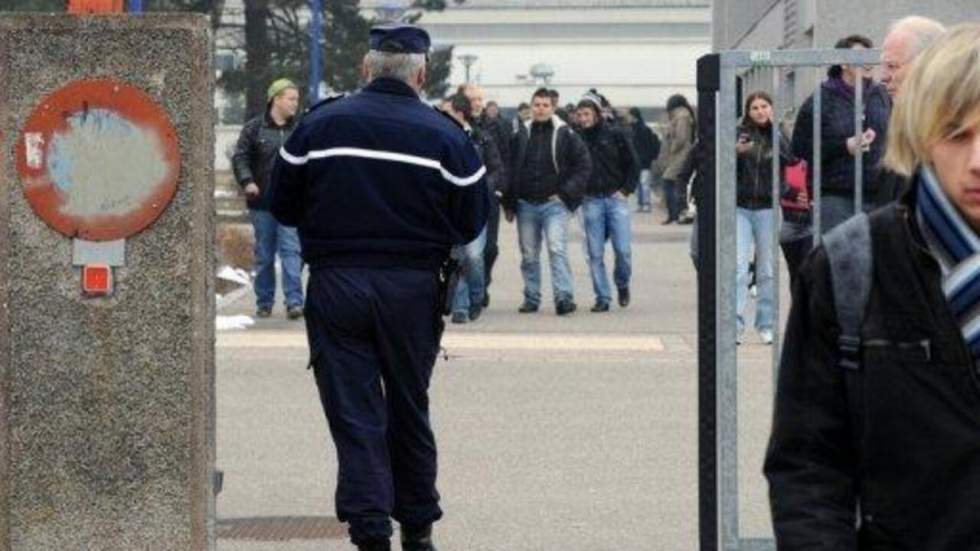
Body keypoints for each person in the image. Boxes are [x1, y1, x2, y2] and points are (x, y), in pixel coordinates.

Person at [268, 24, 489, 551]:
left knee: (354, 413)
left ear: (366, 70)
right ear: (423, 74)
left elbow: (281, 203)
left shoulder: (318, 126)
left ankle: (370, 532)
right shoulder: (446, 136)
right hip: (412, 290)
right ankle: (417, 528)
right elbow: (472, 220)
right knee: (408, 407)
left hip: (337, 283)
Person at [765, 23, 980, 550]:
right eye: (957, 134)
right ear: (920, 132)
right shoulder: (848, 267)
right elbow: (809, 464)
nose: (978, 162)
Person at [790, 34, 890, 234]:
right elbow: (800, 148)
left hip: (879, 195)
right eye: (860, 56)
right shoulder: (821, 99)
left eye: (870, 55)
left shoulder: (883, 95)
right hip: (836, 197)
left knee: (876, 261)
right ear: (843, 62)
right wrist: (844, 146)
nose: (868, 62)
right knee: (839, 261)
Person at [504, 87, 591, 315]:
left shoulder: (565, 134)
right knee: (529, 254)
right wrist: (509, 203)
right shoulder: (520, 134)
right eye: (537, 105)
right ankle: (531, 298)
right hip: (525, 204)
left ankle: (564, 297)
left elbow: (583, 165)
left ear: (552, 108)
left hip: (554, 204)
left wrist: (565, 194)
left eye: (545, 105)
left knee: (556, 248)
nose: (540, 109)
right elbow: (510, 169)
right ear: (531, 107)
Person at [232, 78, 305, 320]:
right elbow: (240, 157)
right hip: (262, 202)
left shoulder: (301, 128)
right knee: (264, 254)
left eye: (297, 98)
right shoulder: (254, 128)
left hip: (292, 202)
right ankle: (264, 301)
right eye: (291, 98)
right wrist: (247, 181)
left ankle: (294, 301)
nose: (296, 103)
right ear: (276, 99)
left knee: (291, 251)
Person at [734, 91, 793, 344]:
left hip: (769, 208)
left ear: (771, 108)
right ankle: (734, 325)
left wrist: (787, 192)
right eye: (755, 107)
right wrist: (735, 152)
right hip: (741, 207)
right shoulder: (739, 134)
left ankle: (765, 323)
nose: (760, 111)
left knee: (767, 270)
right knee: (737, 267)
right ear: (748, 111)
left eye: (764, 106)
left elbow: (793, 164)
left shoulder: (779, 134)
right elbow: (722, 166)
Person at [575, 92, 640, 312]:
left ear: (596, 114)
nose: (583, 118)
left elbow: (633, 164)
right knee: (594, 253)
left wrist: (626, 190)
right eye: (580, 115)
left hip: (615, 199)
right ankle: (602, 296)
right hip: (590, 200)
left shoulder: (615, 134)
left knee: (622, 250)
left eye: (587, 114)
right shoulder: (576, 138)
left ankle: (622, 283)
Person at [443, 92, 505, 323]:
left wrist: (479, 188)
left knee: (474, 257)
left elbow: (497, 170)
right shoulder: (439, 138)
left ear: (459, 113)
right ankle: (460, 307)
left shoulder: (482, 138)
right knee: (457, 256)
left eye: (446, 112)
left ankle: (477, 296)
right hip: (449, 208)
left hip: (476, 206)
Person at [876, 15, 946, 201]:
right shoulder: (904, 122)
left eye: (892, 66)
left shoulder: (956, 125)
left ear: (929, 63)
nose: (883, 77)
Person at [461, 84, 511, 306]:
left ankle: (482, 283)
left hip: (489, 196)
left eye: (481, 99)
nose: (478, 103)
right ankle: (472, 294)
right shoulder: (456, 125)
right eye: (473, 99)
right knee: (468, 252)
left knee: (490, 249)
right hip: (462, 199)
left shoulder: (495, 127)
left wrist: (499, 191)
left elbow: (505, 161)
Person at [658, 94, 696, 224]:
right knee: (675, 182)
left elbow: (681, 137)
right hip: (680, 154)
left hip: (681, 154)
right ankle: (677, 213)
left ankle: (676, 213)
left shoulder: (682, 117)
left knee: (669, 181)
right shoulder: (681, 116)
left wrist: (672, 149)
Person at [627, 107, 661, 213]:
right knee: (639, 184)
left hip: (644, 162)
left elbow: (650, 145)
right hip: (637, 162)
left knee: (644, 183)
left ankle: (646, 204)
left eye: (629, 116)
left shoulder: (643, 130)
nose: (628, 118)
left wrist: (648, 157)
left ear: (634, 116)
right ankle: (642, 204)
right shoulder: (634, 129)